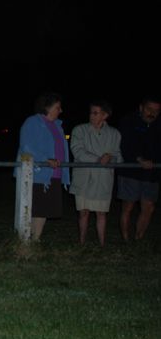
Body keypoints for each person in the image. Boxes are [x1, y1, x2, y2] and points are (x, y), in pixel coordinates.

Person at [16, 92, 70, 241]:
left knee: (44, 210)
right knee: (36, 208)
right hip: (37, 174)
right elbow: (26, 146)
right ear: (47, 107)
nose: (61, 110)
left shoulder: (58, 126)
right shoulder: (32, 122)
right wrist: (45, 159)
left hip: (54, 173)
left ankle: (35, 239)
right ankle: (27, 240)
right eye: (58, 107)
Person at [69, 100, 122, 246]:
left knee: (101, 213)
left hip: (103, 179)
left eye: (95, 113)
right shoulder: (79, 130)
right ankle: (81, 242)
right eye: (91, 112)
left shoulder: (114, 134)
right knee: (83, 212)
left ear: (105, 115)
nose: (91, 116)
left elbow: (119, 155)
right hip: (84, 177)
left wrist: (111, 157)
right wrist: (98, 159)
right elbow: (77, 151)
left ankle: (102, 244)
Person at [117, 96, 160, 241]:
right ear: (141, 108)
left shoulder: (159, 125)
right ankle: (125, 238)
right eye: (149, 109)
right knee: (128, 206)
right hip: (131, 171)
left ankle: (138, 238)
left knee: (149, 206)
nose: (152, 113)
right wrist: (139, 158)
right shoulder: (128, 121)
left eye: (156, 111)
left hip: (152, 173)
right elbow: (124, 145)